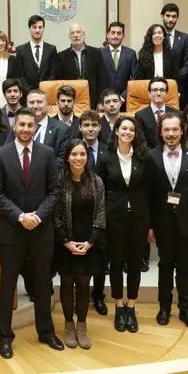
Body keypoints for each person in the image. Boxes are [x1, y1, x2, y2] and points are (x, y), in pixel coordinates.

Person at [0, 107, 63, 358]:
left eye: (30, 125)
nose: (25, 129)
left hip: (41, 231)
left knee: (43, 284)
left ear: (36, 127)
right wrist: (20, 216)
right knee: (7, 285)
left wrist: (37, 216)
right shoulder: (0, 155)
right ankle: (5, 336)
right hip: (12, 231)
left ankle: (46, 332)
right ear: (14, 126)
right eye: (21, 125)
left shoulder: (47, 153)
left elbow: (55, 191)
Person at [146, 113, 188, 331]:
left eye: (174, 130)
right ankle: (164, 308)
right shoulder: (150, 157)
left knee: (185, 267)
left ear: (182, 131)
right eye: (166, 130)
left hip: (187, 224)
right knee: (164, 266)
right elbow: (148, 195)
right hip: (162, 224)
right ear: (160, 132)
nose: (171, 134)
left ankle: (185, 308)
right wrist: (150, 225)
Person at [99, 116, 151, 333]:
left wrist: (150, 223)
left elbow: (150, 191)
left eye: (131, 129)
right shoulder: (105, 158)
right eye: (124, 128)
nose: (127, 132)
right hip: (115, 217)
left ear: (135, 133)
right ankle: (119, 306)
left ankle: (132, 305)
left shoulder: (144, 157)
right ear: (116, 131)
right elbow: (100, 190)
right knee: (117, 263)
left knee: (135, 263)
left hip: (139, 217)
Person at [53, 139, 106, 350]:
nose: (78, 158)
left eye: (82, 154)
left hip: (88, 243)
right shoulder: (59, 181)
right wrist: (66, 241)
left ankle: (82, 326)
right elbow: (55, 214)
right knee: (67, 282)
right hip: (66, 241)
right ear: (67, 156)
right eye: (74, 154)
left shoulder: (96, 182)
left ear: (87, 156)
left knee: (84, 283)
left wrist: (91, 241)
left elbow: (101, 212)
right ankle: (68, 325)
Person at [78, 110, 108, 317]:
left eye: (93, 125)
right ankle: (79, 294)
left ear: (99, 127)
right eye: (86, 125)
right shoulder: (75, 150)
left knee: (100, 257)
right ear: (80, 127)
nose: (90, 129)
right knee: (79, 255)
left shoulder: (108, 151)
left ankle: (98, 295)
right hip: (78, 212)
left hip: (101, 212)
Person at [7, 89, 71, 165]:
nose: (35, 106)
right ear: (26, 105)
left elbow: (62, 160)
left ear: (48, 105)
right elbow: (7, 153)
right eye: (31, 102)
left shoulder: (62, 129)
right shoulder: (17, 127)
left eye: (39, 102)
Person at [56, 23, 107, 108]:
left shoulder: (96, 53)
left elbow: (102, 79)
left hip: (92, 99)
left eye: (78, 32)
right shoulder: (61, 56)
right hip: (69, 99)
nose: (76, 35)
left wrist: (100, 102)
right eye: (72, 33)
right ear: (69, 36)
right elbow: (60, 82)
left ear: (83, 34)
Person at [160, 3, 188, 108]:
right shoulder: (155, 36)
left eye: (174, 16)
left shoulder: (184, 38)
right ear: (162, 16)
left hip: (180, 88)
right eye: (168, 16)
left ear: (177, 18)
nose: (171, 19)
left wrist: (173, 81)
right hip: (158, 88)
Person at [15, 15, 58, 94]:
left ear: (43, 29)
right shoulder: (20, 50)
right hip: (27, 95)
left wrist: (44, 91)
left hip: (47, 94)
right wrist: (31, 92)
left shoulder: (51, 49)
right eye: (34, 27)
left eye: (40, 27)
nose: (37, 30)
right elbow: (20, 75)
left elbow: (53, 74)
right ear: (30, 29)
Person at [135, 77, 181, 149]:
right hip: (150, 157)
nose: (158, 93)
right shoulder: (140, 115)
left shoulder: (177, 114)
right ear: (149, 93)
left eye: (162, 90)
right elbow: (142, 142)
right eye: (155, 90)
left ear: (167, 94)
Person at [101, 22, 137, 98]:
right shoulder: (99, 53)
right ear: (108, 35)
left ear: (123, 36)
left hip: (125, 99)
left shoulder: (130, 53)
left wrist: (123, 97)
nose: (115, 36)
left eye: (119, 33)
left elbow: (134, 78)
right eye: (113, 33)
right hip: (105, 99)